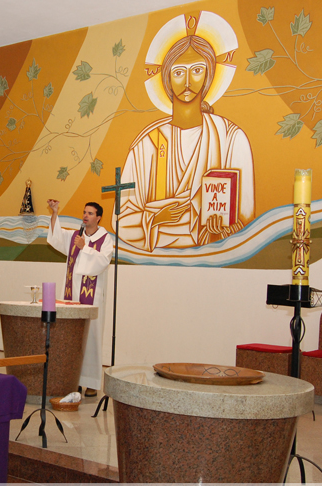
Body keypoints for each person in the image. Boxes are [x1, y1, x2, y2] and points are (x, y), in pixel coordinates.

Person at [117, 34, 255, 252]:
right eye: (179, 72)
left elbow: (246, 218)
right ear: (167, 79)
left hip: (209, 256)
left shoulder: (230, 138)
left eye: (197, 70)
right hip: (155, 257)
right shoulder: (147, 144)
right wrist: (156, 218)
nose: (188, 82)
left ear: (209, 75)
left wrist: (221, 225)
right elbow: (122, 218)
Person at [47, 199, 113, 396]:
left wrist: (85, 248)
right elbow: (56, 236)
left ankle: (91, 382)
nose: (85, 216)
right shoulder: (75, 235)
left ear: (99, 218)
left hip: (92, 296)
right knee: (73, 337)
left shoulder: (105, 238)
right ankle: (74, 378)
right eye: (84, 212)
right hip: (72, 293)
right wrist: (55, 212)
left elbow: (103, 261)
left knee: (91, 336)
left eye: (90, 213)